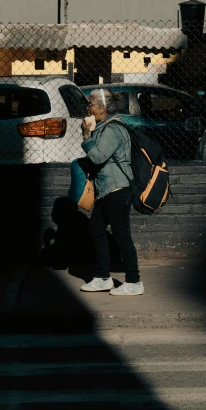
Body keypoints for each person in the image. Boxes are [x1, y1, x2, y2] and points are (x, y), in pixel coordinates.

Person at [79, 88, 144, 296]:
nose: (88, 108)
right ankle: (102, 278)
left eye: (91, 104)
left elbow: (98, 157)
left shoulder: (112, 129)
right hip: (107, 190)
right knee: (96, 229)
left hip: (117, 189)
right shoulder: (106, 126)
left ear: (102, 108)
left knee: (122, 235)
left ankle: (134, 281)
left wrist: (86, 135)